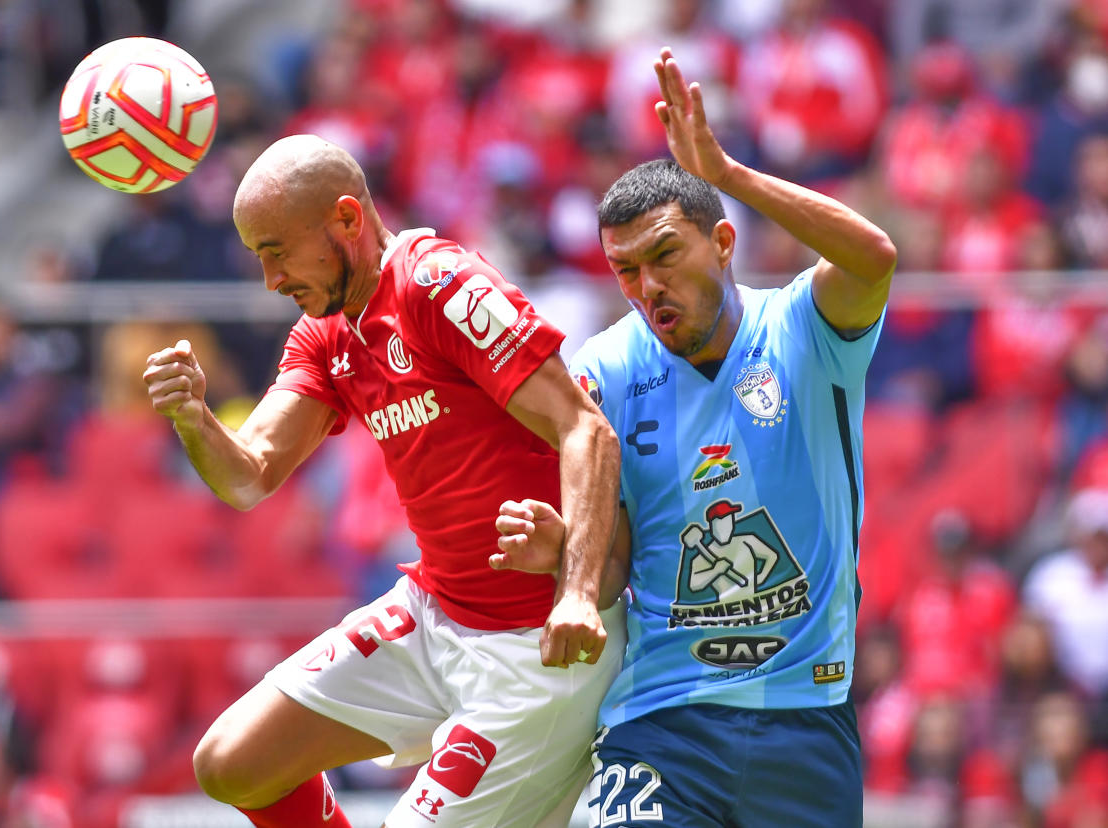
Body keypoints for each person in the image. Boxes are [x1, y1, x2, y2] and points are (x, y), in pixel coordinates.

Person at [142, 134, 624, 828]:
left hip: (538, 648)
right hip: (436, 614)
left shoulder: (439, 283)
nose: (271, 280)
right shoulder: (326, 331)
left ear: (346, 219)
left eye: (278, 250)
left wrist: (577, 592)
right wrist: (192, 415)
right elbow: (248, 478)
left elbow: (586, 429)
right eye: (259, 257)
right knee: (232, 763)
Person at [494, 48, 896, 826]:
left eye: (664, 257)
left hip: (806, 719)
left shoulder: (803, 328)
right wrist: (565, 554)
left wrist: (728, 173)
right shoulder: (603, 371)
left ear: (722, 241)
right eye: (625, 271)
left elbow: (873, 255)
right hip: (665, 722)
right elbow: (612, 571)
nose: (649, 289)